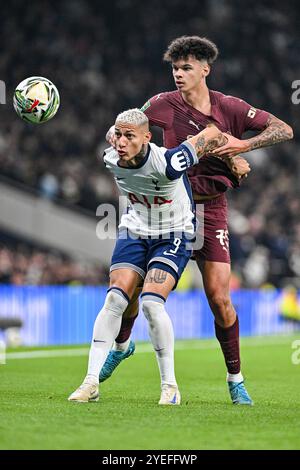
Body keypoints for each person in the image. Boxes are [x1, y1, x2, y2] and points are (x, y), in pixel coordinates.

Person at [100, 36, 293, 406]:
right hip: (166, 212)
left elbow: (284, 129)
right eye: (175, 68)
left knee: (220, 299)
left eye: (186, 67)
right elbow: (122, 128)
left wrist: (243, 146)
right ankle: (123, 345)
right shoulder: (161, 104)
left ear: (206, 69)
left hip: (210, 210)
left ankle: (235, 379)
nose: (178, 74)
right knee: (133, 291)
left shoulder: (230, 108)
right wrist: (115, 134)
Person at [68, 108, 228, 404]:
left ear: (146, 138)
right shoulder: (110, 155)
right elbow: (116, 134)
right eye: (118, 135)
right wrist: (120, 131)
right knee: (115, 299)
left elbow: (212, 134)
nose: (121, 141)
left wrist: (233, 154)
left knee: (152, 304)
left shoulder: (169, 162)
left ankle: (170, 387)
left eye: (130, 136)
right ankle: (90, 382)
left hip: (174, 233)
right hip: (135, 229)